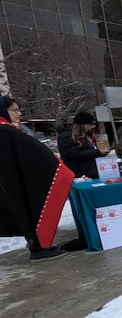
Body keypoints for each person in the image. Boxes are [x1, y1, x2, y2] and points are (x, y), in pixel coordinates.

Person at [1, 95, 75, 260]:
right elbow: (35, 152)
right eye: (14, 110)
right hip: (18, 182)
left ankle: (36, 244)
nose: (19, 114)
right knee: (30, 209)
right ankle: (39, 246)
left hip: (12, 183)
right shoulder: (6, 131)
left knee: (23, 211)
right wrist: (54, 164)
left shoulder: (6, 130)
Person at [57, 111, 110, 179]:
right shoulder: (65, 137)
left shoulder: (84, 135)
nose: (90, 128)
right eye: (89, 125)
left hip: (90, 172)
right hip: (78, 174)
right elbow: (74, 154)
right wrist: (97, 152)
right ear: (82, 125)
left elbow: (87, 151)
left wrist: (100, 153)